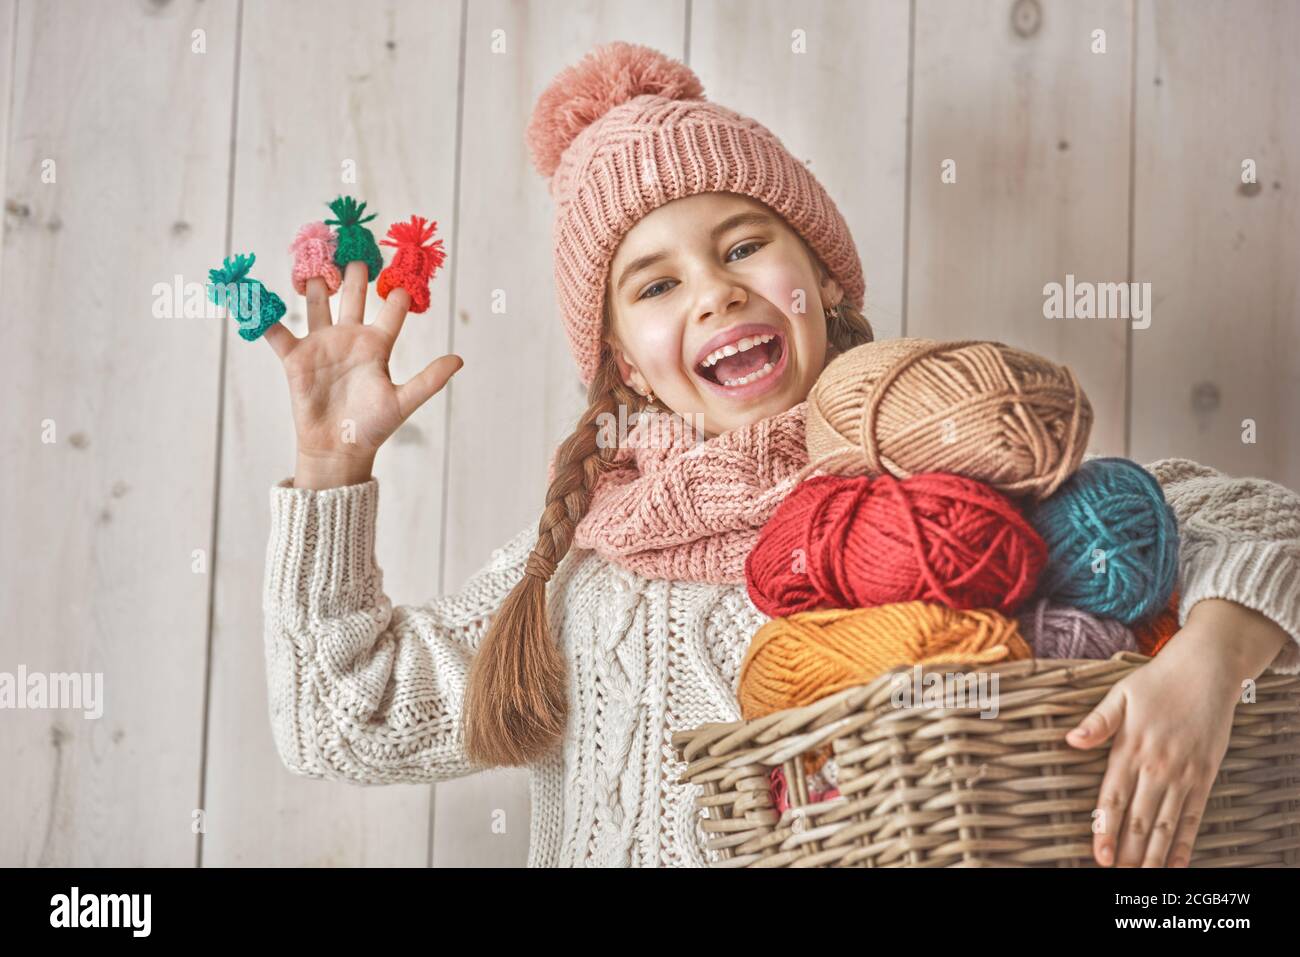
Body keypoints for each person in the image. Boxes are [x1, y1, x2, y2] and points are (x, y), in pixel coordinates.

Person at [259, 41, 1300, 868]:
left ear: (826, 278)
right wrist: (329, 468)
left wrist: (1207, 665)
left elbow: (1257, 527)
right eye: (654, 283)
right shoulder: (579, 577)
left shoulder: (950, 478)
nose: (714, 291)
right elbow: (344, 721)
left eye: (744, 244)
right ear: (623, 357)